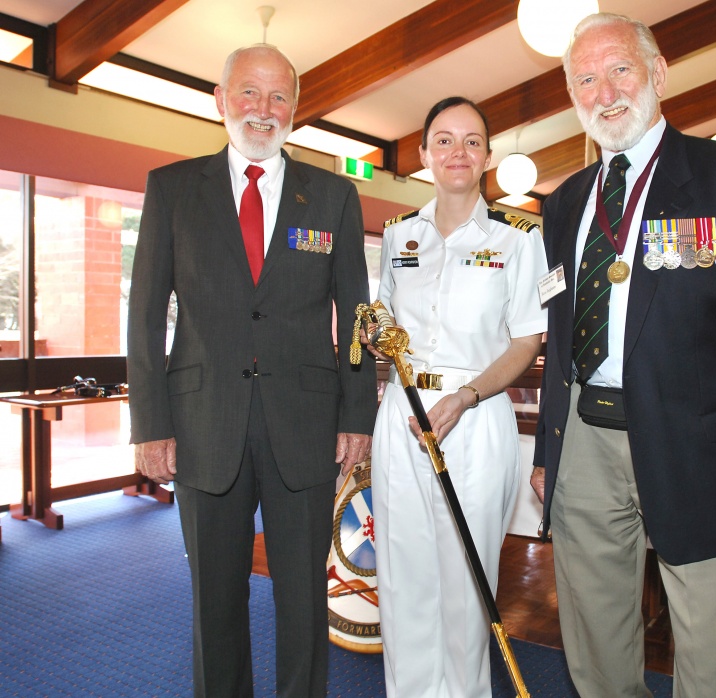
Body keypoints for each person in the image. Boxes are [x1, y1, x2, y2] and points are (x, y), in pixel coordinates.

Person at [531, 14, 716, 698]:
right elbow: (560, 331)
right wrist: (546, 457)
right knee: (593, 641)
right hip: (583, 444)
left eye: (618, 69)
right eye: (584, 79)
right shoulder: (562, 204)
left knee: (707, 654)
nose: (604, 92)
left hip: (695, 445)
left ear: (657, 73)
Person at [127, 44, 377, 697]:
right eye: (248, 93)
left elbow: (355, 314)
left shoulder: (332, 196)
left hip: (306, 426)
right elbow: (145, 316)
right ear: (220, 99)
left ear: (294, 109)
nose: (261, 110)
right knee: (215, 603)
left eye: (277, 97)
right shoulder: (173, 189)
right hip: (202, 425)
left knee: (302, 601)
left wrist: (357, 414)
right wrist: (149, 424)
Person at [369, 96, 548, 697]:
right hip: (403, 416)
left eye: (472, 141)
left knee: (467, 580)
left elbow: (527, 340)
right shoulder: (398, 235)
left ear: (488, 156)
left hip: (474, 416)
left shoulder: (518, 237)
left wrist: (468, 394)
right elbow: (385, 325)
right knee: (403, 575)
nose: (458, 152)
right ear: (422, 153)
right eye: (443, 140)